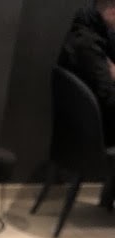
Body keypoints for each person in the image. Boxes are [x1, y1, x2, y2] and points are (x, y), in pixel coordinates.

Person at [58, 0, 115, 145]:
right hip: (100, 136)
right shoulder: (86, 45)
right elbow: (110, 101)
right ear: (113, 10)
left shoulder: (92, 31)